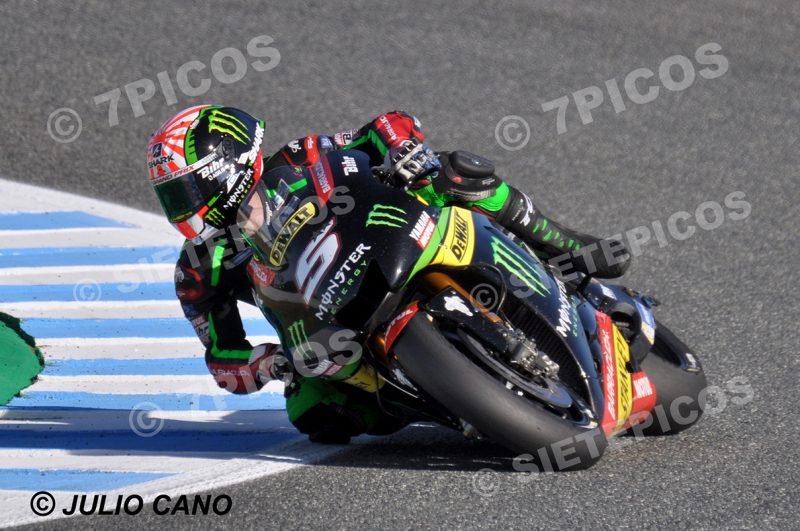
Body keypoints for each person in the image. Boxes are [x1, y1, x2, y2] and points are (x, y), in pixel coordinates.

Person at [146, 105, 631, 443]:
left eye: (186, 189)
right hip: (324, 325)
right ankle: (448, 405)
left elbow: (382, 126)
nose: (183, 207)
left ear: (224, 165)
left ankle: (567, 245)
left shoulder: (301, 154)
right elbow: (222, 359)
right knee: (313, 415)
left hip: (388, 241)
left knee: (455, 171)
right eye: (173, 197)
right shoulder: (198, 269)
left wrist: (404, 150)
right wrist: (269, 365)